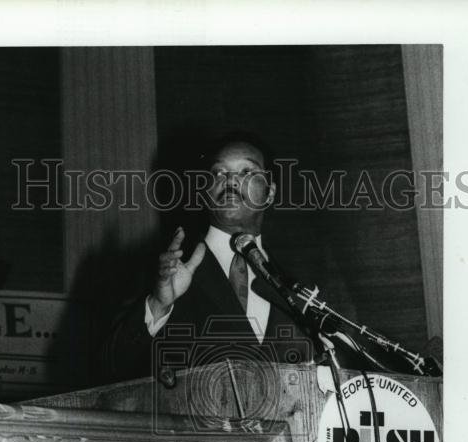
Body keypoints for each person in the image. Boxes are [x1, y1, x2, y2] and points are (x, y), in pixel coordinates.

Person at [102, 131, 317, 383]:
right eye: (219, 173)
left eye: (247, 172)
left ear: (270, 192)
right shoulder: (160, 270)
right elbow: (110, 367)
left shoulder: (296, 288)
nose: (230, 181)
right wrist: (158, 305)